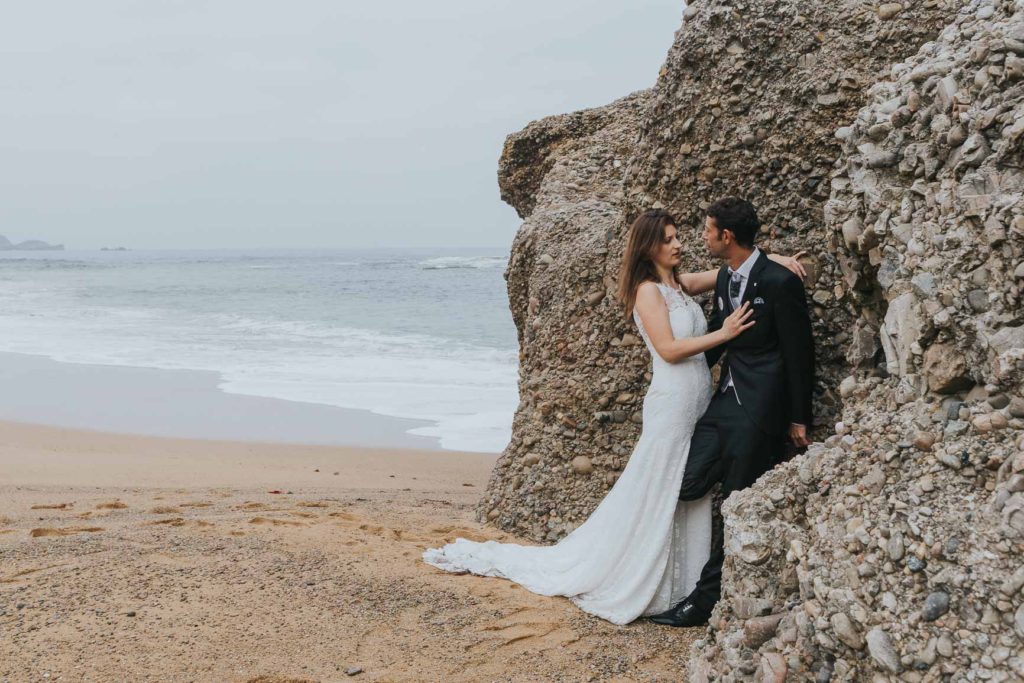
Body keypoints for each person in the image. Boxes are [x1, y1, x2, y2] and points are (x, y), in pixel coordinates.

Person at [422, 208, 804, 625]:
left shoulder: (677, 284)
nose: (680, 244)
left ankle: (678, 583)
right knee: (662, 483)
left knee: (679, 485)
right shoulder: (646, 291)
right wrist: (724, 333)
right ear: (649, 247)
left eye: (679, 237)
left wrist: (776, 261)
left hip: (698, 402)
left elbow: (735, 271)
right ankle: (632, 573)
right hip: (672, 402)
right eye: (670, 239)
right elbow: (669, 350)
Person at [649, 197, 814, 628]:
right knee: (685, 482)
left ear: (726, 236)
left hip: (760, 412)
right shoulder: (725, 276)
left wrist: (799, 418)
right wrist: (684, 378)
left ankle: (702, 603)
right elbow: (723, 334)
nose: (701, 237)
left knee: (734, 506)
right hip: (722, 402)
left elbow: (801, 355)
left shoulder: (780, 282)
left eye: (706, 230)